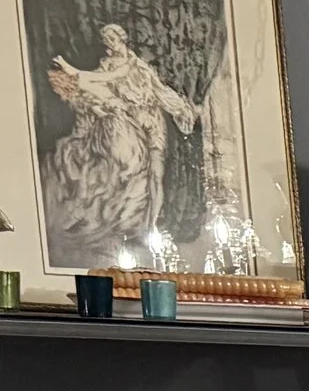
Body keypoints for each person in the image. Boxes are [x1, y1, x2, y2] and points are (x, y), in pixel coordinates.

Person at [40, 23, 199, 268]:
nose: (110, 44)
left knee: (156, 175)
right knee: (129, 172)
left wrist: (179, 107)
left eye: (113, 39)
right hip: (130, 123)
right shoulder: (107, 65)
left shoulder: (135, 66)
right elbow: (98, 87)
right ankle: (131, 226)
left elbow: (156, 89)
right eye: (107, 40)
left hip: (152, 122)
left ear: (122, 40)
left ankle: (151, 226)